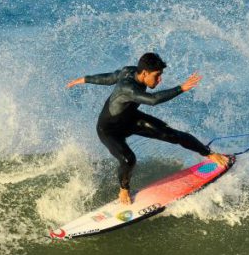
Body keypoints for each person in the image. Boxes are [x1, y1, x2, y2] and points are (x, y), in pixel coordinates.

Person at [66, 52, 230, 205]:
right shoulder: (128, 88)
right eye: (157, 76)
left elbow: (110, 77)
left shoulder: (130, 71)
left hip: (130, 119)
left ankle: (209, 153)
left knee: (172, 135)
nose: (159, 80)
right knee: (128, 160)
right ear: (144, 73)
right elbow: (152, 99)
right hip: (109, 130)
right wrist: (181, 88)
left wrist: (85, 79)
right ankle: (124, 189)